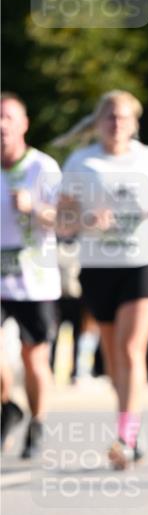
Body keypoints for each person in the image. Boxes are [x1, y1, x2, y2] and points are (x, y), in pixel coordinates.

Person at [54, 90, 148, 468]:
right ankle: (132, 427)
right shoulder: (80, 161)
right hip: (97, 266)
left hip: (144, 261)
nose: (116, 123)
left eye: (124, 117)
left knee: (129, 349)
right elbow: (63, 219)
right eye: (109, 116)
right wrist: (85, 221)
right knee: (113, 361)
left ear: (134, 123)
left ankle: (124, 439)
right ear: (97, 122)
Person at [1, 93, 61, 458]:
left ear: (23, 124)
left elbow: (64, 221)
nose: (1, 125)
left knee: (33, 358)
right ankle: (8, 406)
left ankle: (37, 422)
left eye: (8, 117)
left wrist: (34, 209)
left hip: (34, 280)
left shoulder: (43, 168)